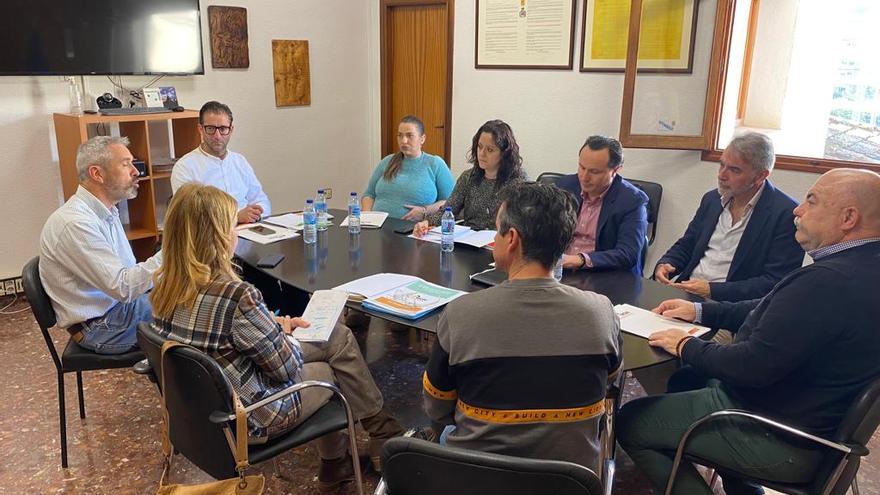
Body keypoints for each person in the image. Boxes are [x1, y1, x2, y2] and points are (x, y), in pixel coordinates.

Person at [617, 168, 880, 495]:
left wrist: (685, 345)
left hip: (775, 434)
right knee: (686, 380)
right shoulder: (861, 268)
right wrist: (701, 310)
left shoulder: (827, 282)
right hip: (814, 426)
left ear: (848, 217)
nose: (798, 210)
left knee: (630, 422)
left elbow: (748, 368)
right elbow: (772, 307)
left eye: (811, 201)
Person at [150, 184, 407, 491]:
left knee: (336, 337)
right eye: (233, 225)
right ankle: (359, 451)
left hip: (204, 415)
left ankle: (358, 450)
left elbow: (218, 333)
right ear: (218, 236)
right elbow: (284, 369)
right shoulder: (236, 295)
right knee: (332, 370)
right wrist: (281, 334)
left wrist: (274, 325)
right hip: (254, 416)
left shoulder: (165, 290)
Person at [423, 182, 621, 471]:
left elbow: (437, 407)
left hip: (476, 478)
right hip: (568, 482)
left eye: (497, 229)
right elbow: (609, 382)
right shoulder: (603, 313)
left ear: (512, 238)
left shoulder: (460, 315)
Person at [40, 136, 161, 354]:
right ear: (97, 174)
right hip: (101, 326)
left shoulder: (106, 211)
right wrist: (175, 252)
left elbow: (127, 274)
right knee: (198, 310)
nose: (136, 171)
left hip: (116, 309)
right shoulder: (75, 224)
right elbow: (123, 288)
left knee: (196, 299)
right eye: (125, 164)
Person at [654, 132, 803, 301]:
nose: (721, 175)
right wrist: (667, 263)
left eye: (734, 170)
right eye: (721, 165)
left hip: (730, 307)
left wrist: (712, 290)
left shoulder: (785, 214)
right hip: (686, 294)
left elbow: (774, 282)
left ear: (761, 176)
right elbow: (688, 244)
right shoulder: (712, 200)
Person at [412, 119, 528, 235]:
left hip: (499, 243)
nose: (482, 154)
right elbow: (449, 210)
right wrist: (426, 222)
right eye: (480, 146)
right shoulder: (468, 177)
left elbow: (520, 225)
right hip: (469, 242)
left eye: (490, 150)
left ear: (504, 153)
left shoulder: (517, 181)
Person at [556, 135, 648, 276]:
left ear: (615, 170)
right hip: (562, 270)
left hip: (604, 275)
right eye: (581, 167)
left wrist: (580, 260)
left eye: (594, 172)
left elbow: (628, 254)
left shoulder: (632, 200)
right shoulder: (564, 186)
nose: (584, 177)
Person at [171, 101, 271, 225]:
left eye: (223, 129)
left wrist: (256, 213)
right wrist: (236, 218)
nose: (217, 136)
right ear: (200, 129)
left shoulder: (239, 161)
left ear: (231, 130)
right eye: (211, 129)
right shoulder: (185, 167)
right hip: (210, 238)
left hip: (249, 230)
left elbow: (261, 201)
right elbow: (189, 216)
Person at [362, 115, 454, 220]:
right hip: (377, 227)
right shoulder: (387, 161)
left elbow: (450, 201)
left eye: (409, 135)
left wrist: (425, 210)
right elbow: (369, 194)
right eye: (400, 135)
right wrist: (366, 219)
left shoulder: (435, 164)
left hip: (415, 230)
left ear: (422, 139)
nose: (404, 140)